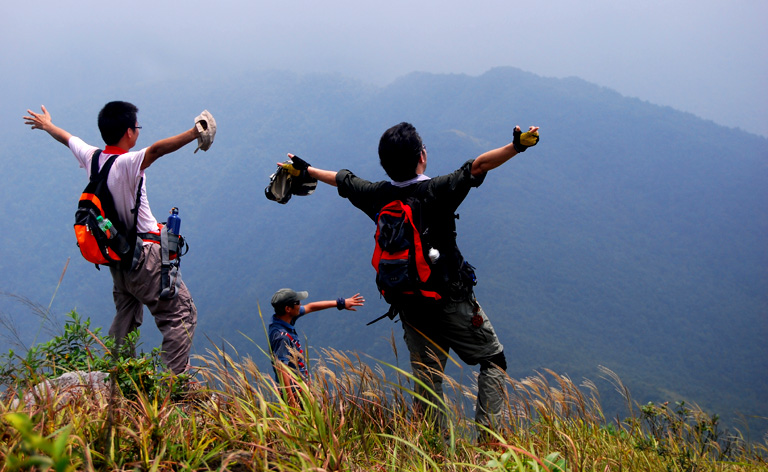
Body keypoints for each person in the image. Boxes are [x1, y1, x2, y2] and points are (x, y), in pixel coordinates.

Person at [283, 122, 539, 431]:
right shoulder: (437, 191)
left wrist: (308, 170)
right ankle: (489, 441)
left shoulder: (377, 195)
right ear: (421, 156)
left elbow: (342, 180)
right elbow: (480, 165)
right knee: (493, 361)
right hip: (452, 301)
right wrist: (517, 146)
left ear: (385, 163)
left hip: (410, 307)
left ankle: (436, 452)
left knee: (428, 385)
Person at [23, 102, 215, 374]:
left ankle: (119, 377)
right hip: (145, 259)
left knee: (125, 318)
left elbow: (68, 139)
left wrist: (47, 125)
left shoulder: (93, 158)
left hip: (118, 260)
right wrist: (195, 132)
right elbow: (158, 149)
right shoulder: (128, 162)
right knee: (181, 316)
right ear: (128, 132)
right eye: (137, 128)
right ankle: (175, 385)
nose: (139, 132)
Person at [269, 288, 365, 404]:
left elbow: (311, 306)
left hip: (302, 388)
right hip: (296, 394)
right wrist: (292, 402)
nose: (300, 305)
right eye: (297, 303)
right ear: (288, 309)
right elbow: (281, 369)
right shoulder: (281, 336)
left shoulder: (285, 318)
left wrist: (341, 303)